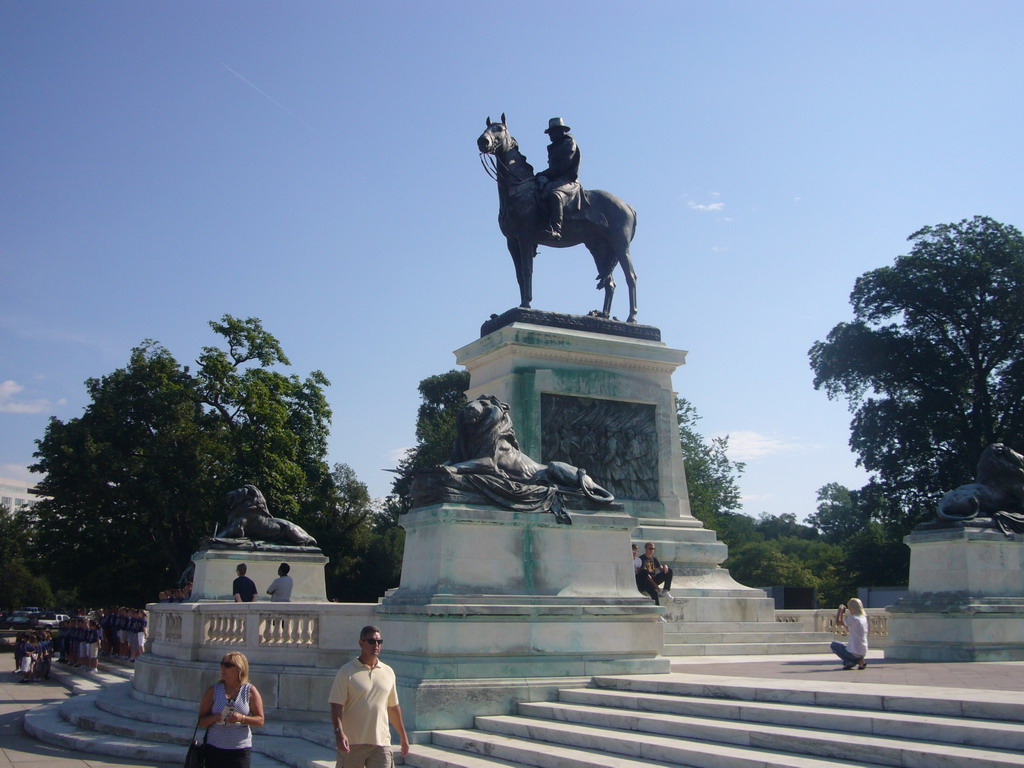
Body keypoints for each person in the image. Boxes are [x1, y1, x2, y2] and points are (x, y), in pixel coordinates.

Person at [328, 625, 409, 767]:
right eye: (371, 641)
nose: (376, 645)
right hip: (352, 744)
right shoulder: (346, 671)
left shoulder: (388, 672)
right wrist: (339, 734)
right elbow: (336, 706)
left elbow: (393, 708)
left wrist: (403, 737)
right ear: (361, 643)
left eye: (379, 642)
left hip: (381, 744)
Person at [198, 651, 265, 768]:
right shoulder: (213, 690)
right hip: (214, 748)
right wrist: (214, 718)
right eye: (222, 664)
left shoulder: (249, 691)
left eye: (228, 665)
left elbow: (260, 720)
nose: (223, 668)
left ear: (239, 669)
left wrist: (241, 718)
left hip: (240, 749)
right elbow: (201, 722)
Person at [535, 117, 580, 241]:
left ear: (561, 131)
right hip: (555, 179)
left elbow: (561, 167)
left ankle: (556, 229)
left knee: (555, 195)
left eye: (552, 132)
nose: (550, 136)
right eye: (549, 133)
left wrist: (543, 174)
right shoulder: (554, 146)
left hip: (567, 180)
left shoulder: (568, 144)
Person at [831, 597, 869, 670]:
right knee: (850, 645)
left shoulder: (854, 618)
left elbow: (838, 623)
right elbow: (847, 628)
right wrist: (842, 614)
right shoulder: (863, 618)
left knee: (834, 645)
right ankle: (860, 662)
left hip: (854, 652)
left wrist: (840, 611)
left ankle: (850, 661)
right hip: (863, 651)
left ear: (852, 608)